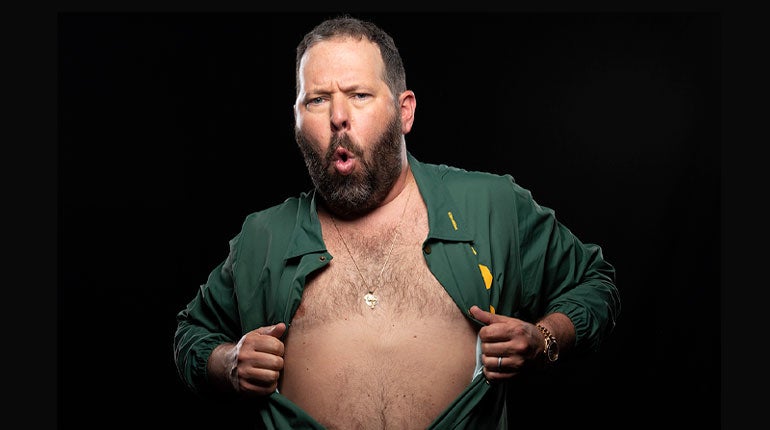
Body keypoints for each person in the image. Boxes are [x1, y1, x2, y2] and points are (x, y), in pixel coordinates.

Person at [174, 15, 621, 430]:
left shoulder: (492, 206)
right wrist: (229, 363)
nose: (337, 117)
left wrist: (544, 339)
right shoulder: (262, 238)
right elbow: (192, 334)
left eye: (359, 95)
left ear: (404, 111)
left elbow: (595, 284)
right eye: (317, 99)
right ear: (296, 120)